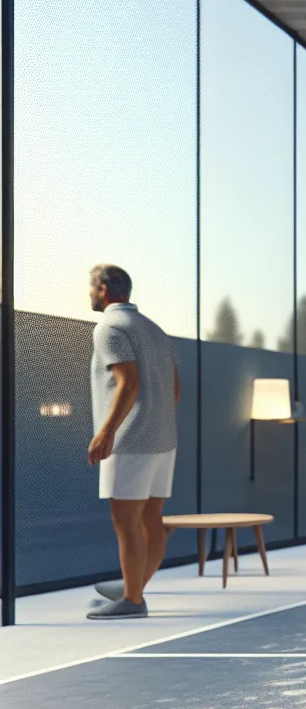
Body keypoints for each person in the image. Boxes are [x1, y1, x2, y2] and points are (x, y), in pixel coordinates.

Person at [85, 265, 180, 620]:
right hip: (164, 438)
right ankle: (133, 584)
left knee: (126, 521)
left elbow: (128, 383)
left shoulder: (109, 327)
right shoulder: (155, 330)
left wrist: (106, 432)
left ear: (105, 289)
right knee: (152, 518)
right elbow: (174, 390)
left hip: (131, 440)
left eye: (91, 288)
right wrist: (156, 421)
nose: (90, 295)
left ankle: (133, 601)